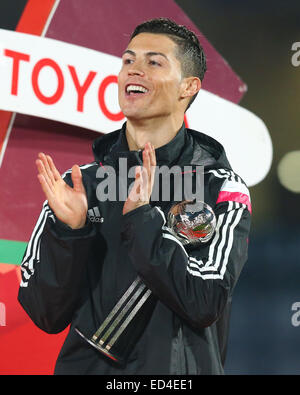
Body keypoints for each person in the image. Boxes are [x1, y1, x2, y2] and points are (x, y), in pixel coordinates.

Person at [18, 18, 251, 375]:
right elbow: (44, 313)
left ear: (188, 86)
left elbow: (204, 301)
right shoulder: (79, 185)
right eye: (128, 61)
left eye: (153, 62)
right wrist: (70, 232)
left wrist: (142, 219)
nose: (134, 71)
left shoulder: (220, 187)